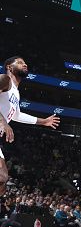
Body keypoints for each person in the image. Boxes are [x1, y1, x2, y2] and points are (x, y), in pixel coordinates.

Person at [0, 56, 60, 195]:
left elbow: (16, 115)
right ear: (9, 67)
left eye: (25, 62)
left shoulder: (16, 92)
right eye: (20, 63)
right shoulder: (5, 79)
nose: (25, 64)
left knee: (3, 179)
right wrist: (3, 122)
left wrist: (43, 121)